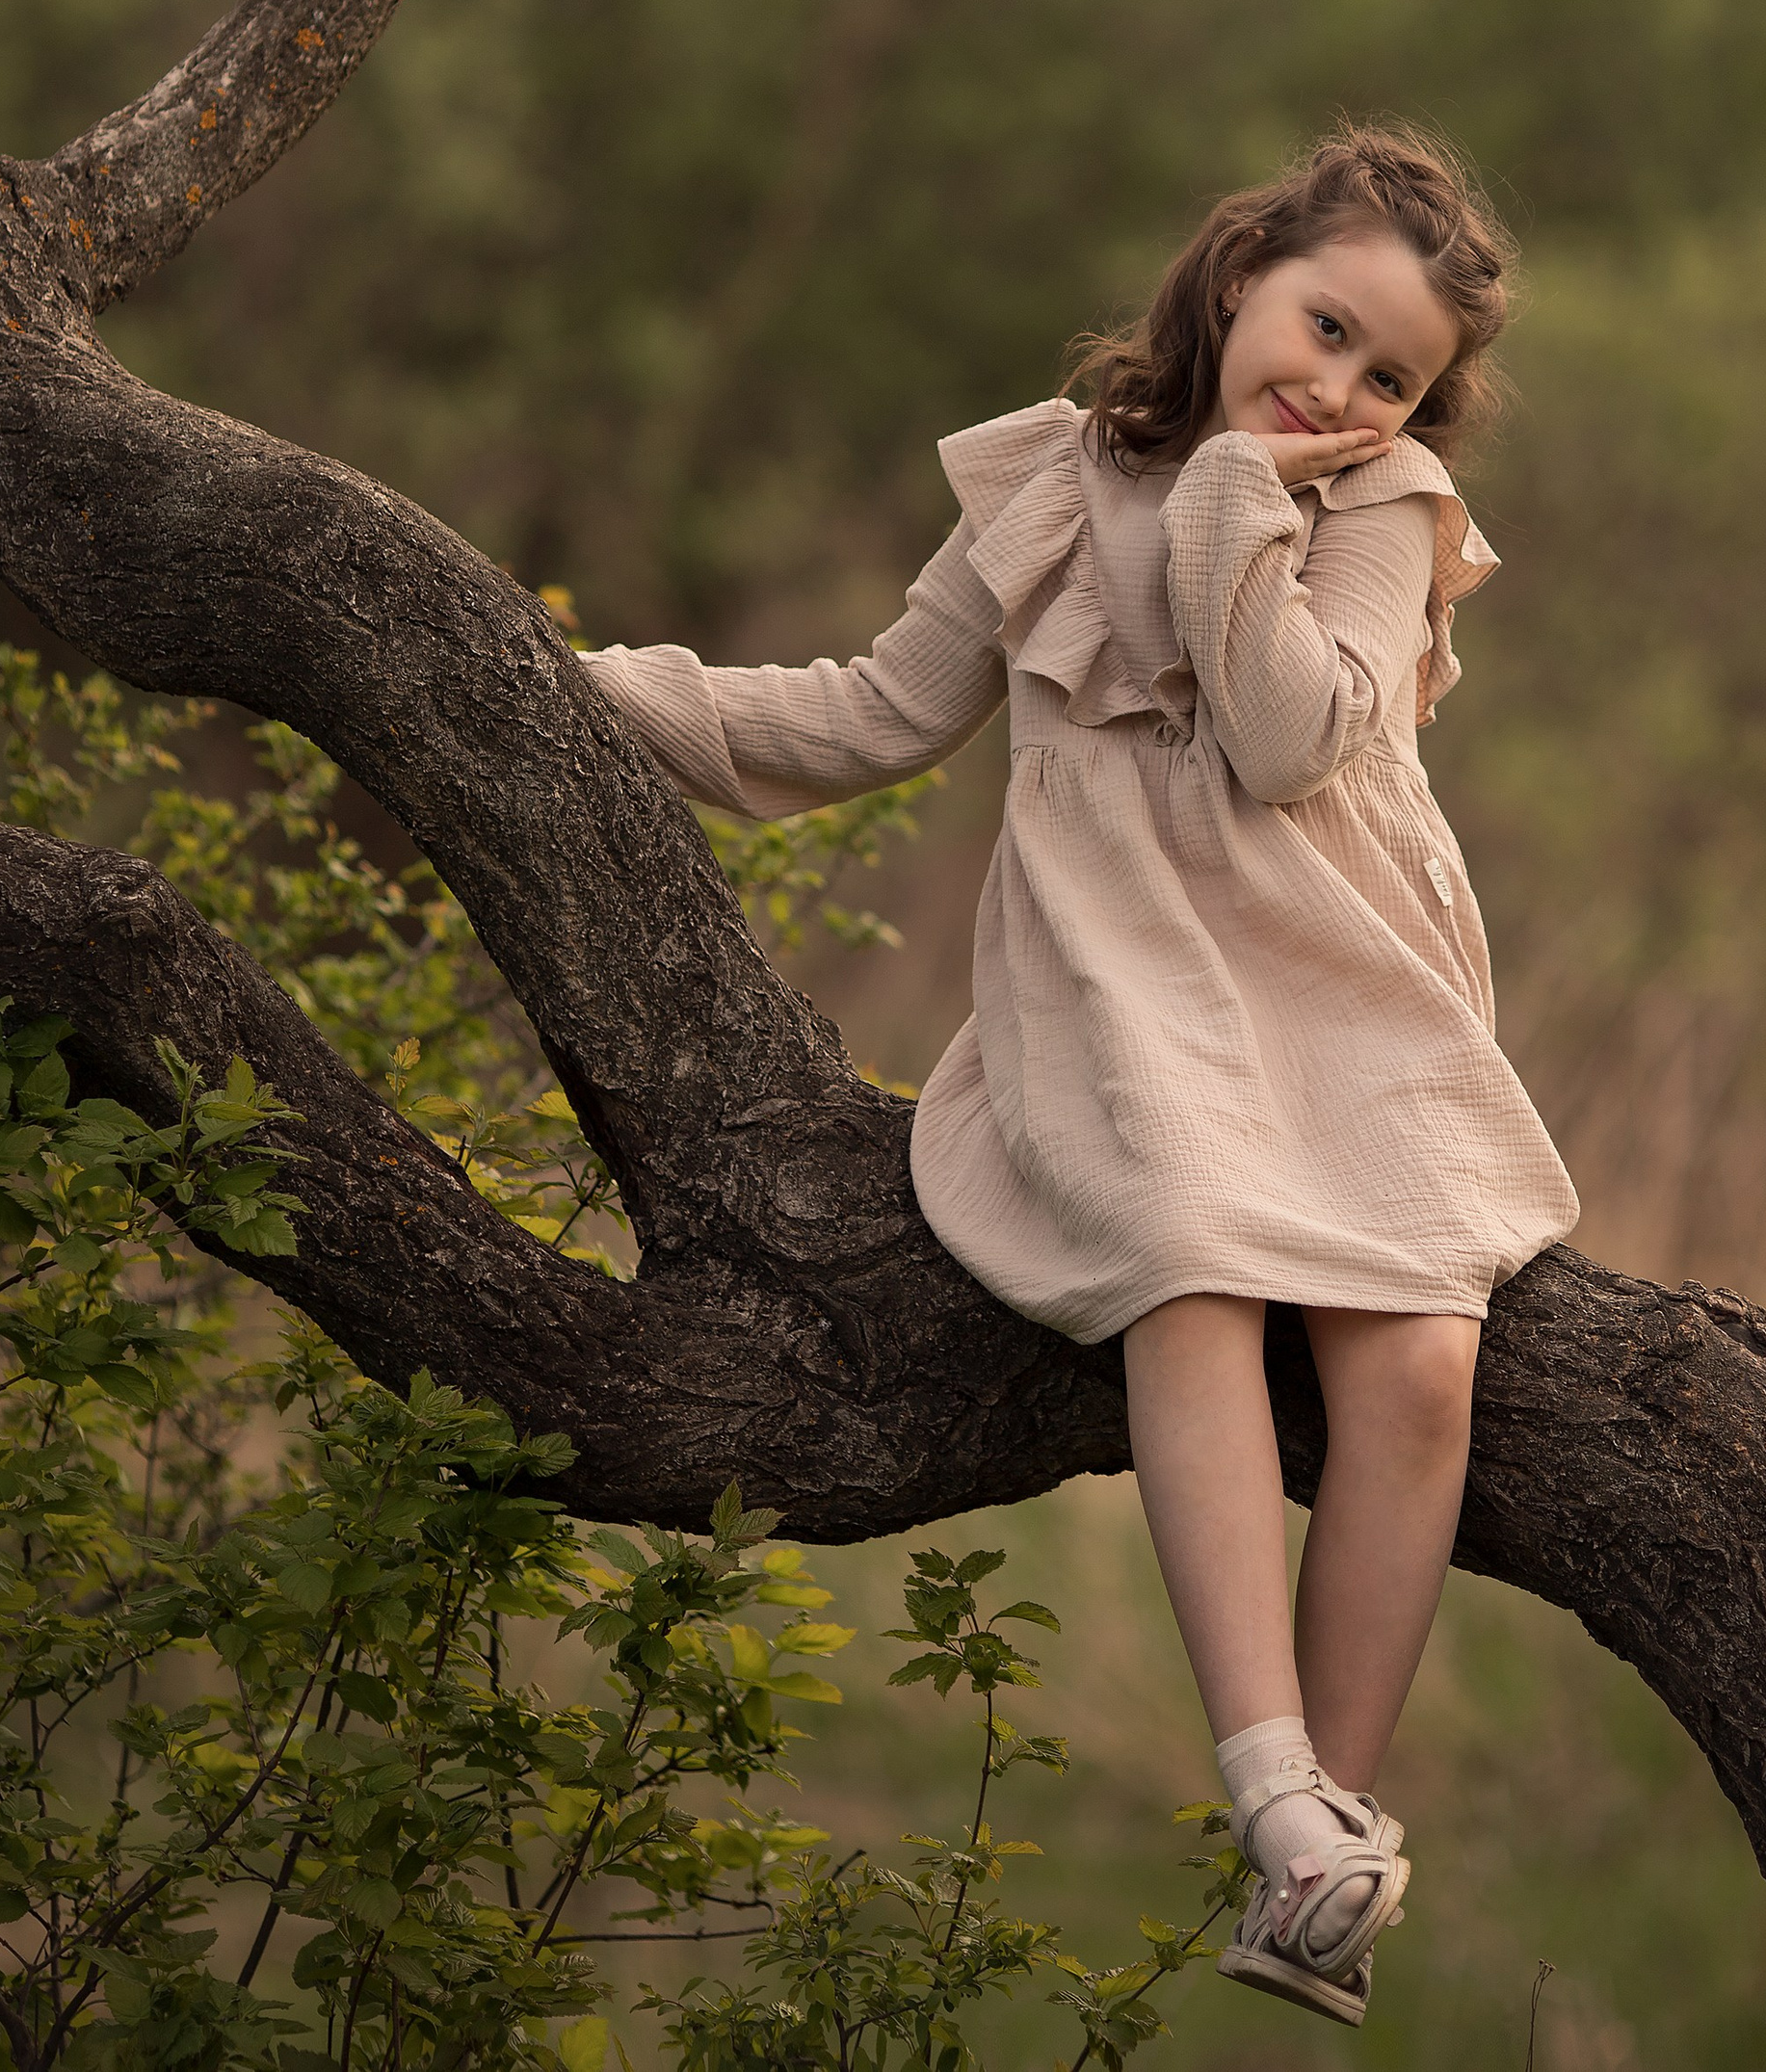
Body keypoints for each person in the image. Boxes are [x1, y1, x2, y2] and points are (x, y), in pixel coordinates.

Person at [583, 122, 1578, 2029]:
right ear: (1239, 266)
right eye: (1325, 324)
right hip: (1131, 992)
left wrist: (1233, 502)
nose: (1341, 387)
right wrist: (589, 682)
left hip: (1341, 983)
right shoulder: (1049, 483)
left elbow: (1290, 738)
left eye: (1391, 375)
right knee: (1185, 1261)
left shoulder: (1377, 505)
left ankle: (1324, 1859)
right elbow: (864, 715)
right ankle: (1270, 1779)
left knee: (1421, 1354)